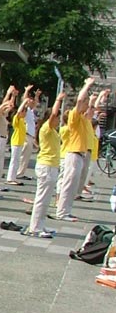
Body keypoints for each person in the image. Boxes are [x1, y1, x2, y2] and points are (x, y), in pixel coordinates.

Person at [24, 93, 65, 237]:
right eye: (58, 118)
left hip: (52, 166)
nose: (58, 120)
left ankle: (40, 225)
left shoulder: (52, 131)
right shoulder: (46, 128)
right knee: (41, 198)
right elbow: (53, 114)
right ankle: (35, 227)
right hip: (46, 166)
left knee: (46, 199)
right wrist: (58, 99)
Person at [55, 77, 96, 221]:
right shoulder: (74, 115)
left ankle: (66, 211)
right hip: (73, 154)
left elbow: (90, 111)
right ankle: (61, 212)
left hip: (80, 155)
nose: (86, 104)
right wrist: (87, 85)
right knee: (68, 184)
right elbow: (79, 100)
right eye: (85, 102)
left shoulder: (83, 119)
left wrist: (93, 100)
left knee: (73, 186)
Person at [16, 86, 41, 180]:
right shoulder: (25, 110)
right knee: (23, 155)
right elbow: (24, 100)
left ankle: (21, 172)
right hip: (26, 135)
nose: (32, 101)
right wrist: (26, 91)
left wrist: (37, 96)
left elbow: (35, 103)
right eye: (30, 100)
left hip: (30, 136)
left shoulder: (30, 111)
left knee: (26, 156)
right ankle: (19, 173)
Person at [6, 98, 30, 185]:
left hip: (20, 142)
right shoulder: (17, 119)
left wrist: (27, 104)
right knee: (14, 160)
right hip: (16, 142)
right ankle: (10, 178)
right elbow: (19, 111)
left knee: (16, 161)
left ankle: (13, 177)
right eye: (25, 112)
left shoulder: (22, 121)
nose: (25, 113)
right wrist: (24, 102)